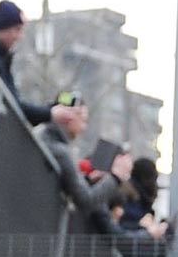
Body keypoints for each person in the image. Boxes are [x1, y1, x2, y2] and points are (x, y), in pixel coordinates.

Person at [0, 1, 78, 130]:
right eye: (17, 29)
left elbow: (14, 104)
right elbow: (13, 105)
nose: (19, 36)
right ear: (5, 26)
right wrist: (50, 113)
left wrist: (50, 110)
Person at [36, 95, 125, 235]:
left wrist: (88, 180)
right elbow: (86, 200)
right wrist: (116, 177)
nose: (84, 128)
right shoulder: (61, 152)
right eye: (83, 121)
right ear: (70, 116)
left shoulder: (41, 136)